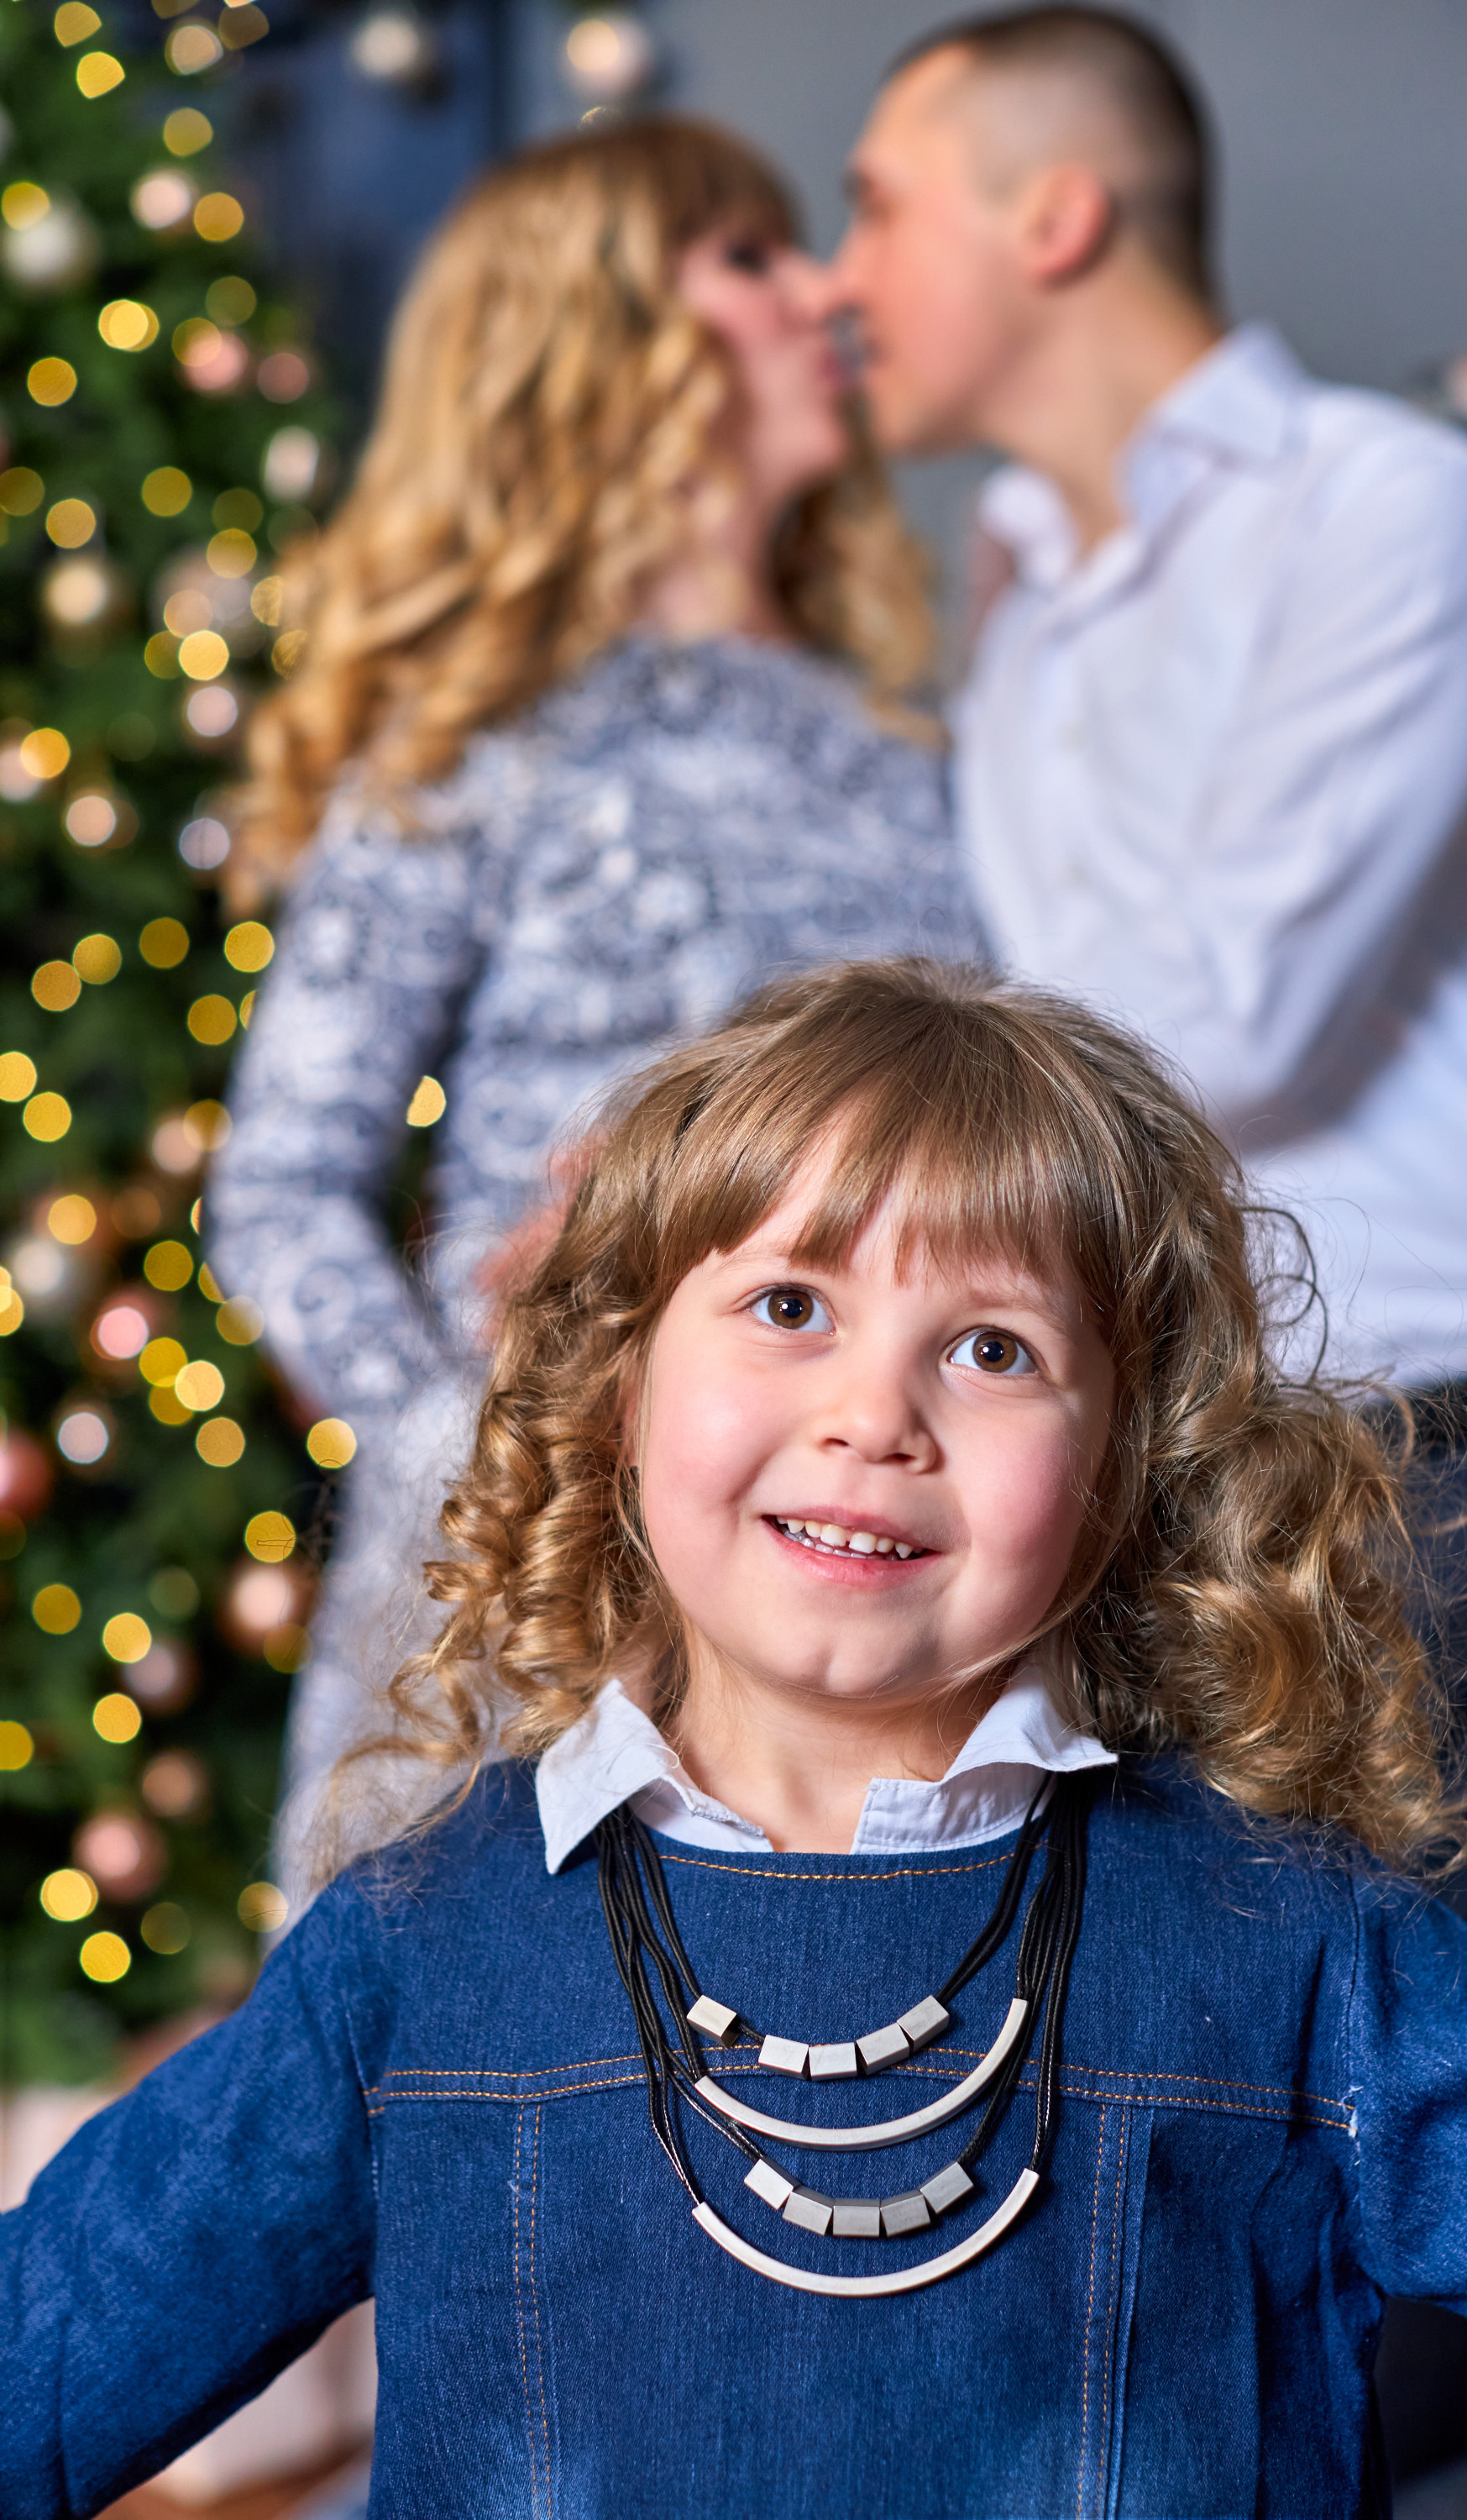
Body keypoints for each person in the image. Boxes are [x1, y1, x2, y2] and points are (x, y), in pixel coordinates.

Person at [7, 959, 1467, 2516]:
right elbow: (46, 2361)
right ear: (618, 1387)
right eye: (790, 1305)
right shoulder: (414, 1961)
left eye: (991, 1347)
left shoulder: (1301, 1961)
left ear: (1119, 1475)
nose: (875, 1414)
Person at [821, 7, 1467, 1977]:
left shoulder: (1390, 503)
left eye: (876, 211)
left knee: (1402, 2187)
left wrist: (823, 1114)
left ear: (1055, 217)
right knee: (1189, 2164)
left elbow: (1227, 1020)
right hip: (1159, 1462)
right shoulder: (1018, 575)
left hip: (1423, 1482)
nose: (844, 276)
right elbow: (1065, 1006)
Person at [206, 119, 983, 1883]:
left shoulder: (913, 752)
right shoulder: (472, 739)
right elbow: (278, 1184)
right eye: (749, 258)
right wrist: (463, 1460)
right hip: (536, 1610)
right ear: (602, 331)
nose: (821, 295)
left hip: (855, 1575)